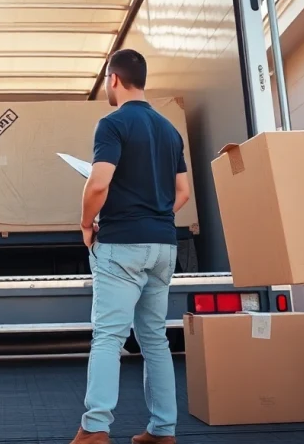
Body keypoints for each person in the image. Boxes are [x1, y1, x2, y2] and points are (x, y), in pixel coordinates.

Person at [71, 49, 191, 444]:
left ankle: (95, 429)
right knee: (154, 339)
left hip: (121, 244)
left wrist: (87, 224)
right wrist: (155, 213)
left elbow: (100, 182)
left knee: (108, 337)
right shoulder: (169, 130)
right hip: (163, 245)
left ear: (114, 79)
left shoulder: (112, 124)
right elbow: (183, 193)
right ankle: (163, 430)